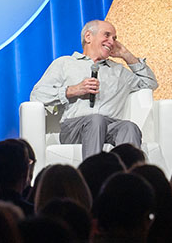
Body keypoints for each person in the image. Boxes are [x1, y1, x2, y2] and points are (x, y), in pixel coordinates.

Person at [30, 20, 158, 159]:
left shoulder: (118, 71)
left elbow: (150, 82)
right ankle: (92, 176)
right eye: (107, 35)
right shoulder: (65, 63)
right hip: (74, 128)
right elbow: (37, 95)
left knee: (129, 126)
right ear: (88, 37)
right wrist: (72, 90)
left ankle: (128, 179)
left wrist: (126, 55)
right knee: (96, 120)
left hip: (110, 126)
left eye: (114, 38)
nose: (112, 41)